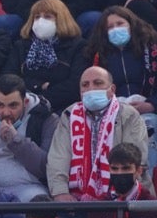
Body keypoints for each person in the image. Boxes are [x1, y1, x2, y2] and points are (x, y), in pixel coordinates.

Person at [47, 66, 150, 205]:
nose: (91, 89)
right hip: (75, 198)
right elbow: (58, 157)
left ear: (112, 90)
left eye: (98, 83)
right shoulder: (69, 115)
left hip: (123, 194)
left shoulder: (129, 115)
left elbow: (134, 160)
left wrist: (112, 196)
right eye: (85, 85)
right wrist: (60, 192)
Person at [85, 6, 157, 164]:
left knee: (148, 127)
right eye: (110, 27)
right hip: (111, 112)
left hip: (147, 111)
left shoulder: (152, 50)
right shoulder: (97, 56)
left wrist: (151, 105)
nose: (116, 29)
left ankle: (146, 182)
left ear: (131, 24)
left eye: (120, 24)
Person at [6, 0, 90, 115]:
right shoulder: (20, 46)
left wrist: (41, 100)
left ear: (61, 19)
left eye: (47, 17)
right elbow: (8, 80)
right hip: (24, 110)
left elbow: (75, 85)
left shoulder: (78, 46)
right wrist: (39, 86)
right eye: (37, 17)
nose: (41, 21)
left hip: (63, 110)